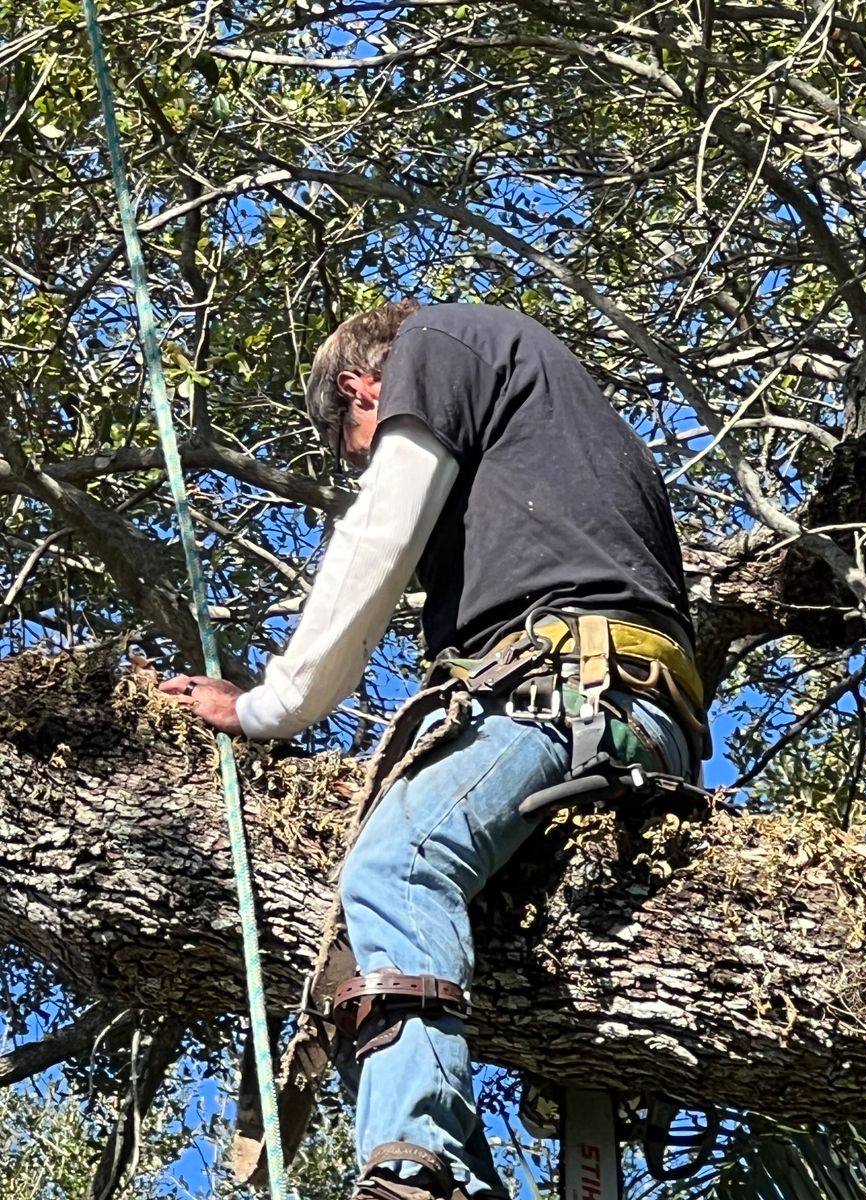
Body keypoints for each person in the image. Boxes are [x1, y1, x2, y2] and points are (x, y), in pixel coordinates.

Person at [161, 300, 705, 1200]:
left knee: (400, 864)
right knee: (448, 947)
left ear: (359, 389)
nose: (366, 461)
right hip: (636, 722)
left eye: (358, 444)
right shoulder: (560, 422)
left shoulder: (437, 345)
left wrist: (270, 706)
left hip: (569, 696)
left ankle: (422, 1165)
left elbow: (381, 532)